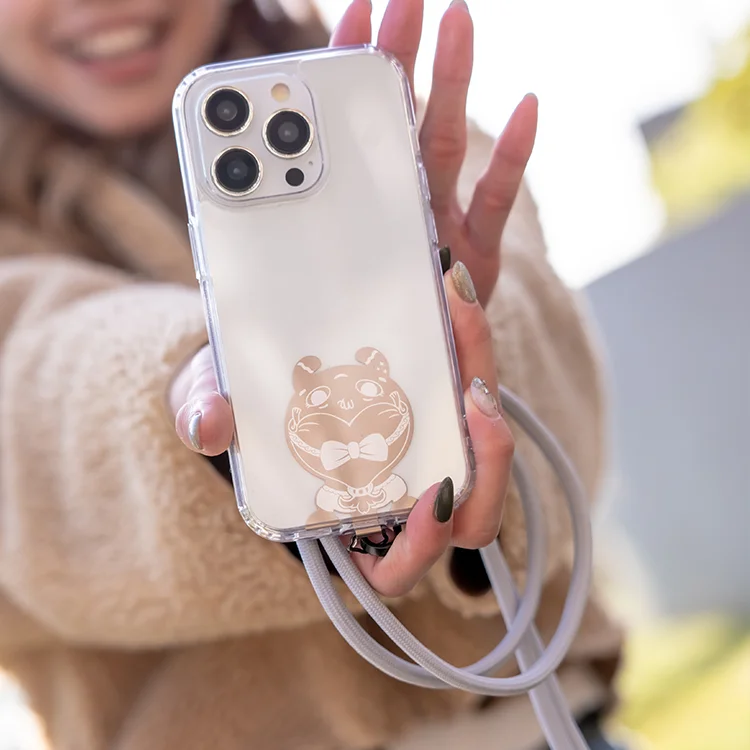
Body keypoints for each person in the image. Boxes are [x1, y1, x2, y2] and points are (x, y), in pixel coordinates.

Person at [0, 0, 623, 749]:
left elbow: (555, 366)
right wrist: (214, 383)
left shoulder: (376, 104)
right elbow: (27, 394)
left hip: (556, 723)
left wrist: (449, 340)